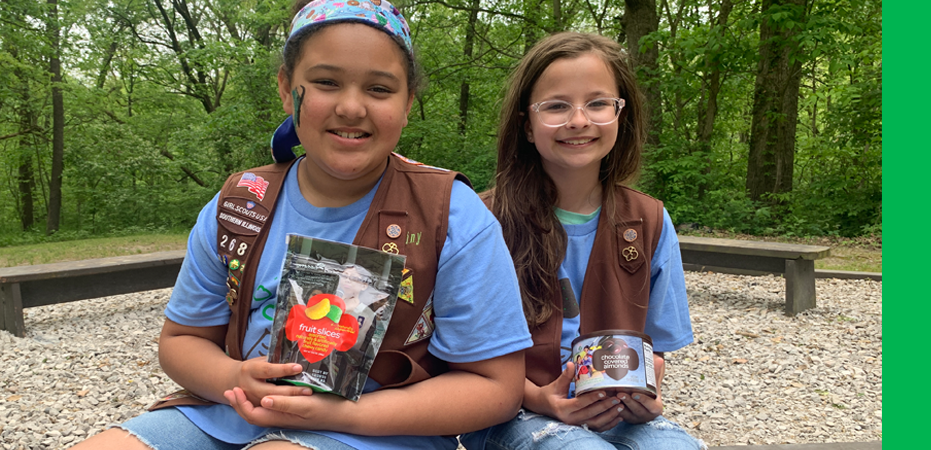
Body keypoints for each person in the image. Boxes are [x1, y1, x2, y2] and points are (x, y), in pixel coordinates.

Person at [70, 1, 530, 449]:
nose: (351, 107)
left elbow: (496, 387)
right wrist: (234, 377)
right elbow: (182, 339)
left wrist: (342, 413)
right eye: (326, 82)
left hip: (376, 426)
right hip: (225, 413)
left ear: (408, 102)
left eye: (379, 89)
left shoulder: (450, 213)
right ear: (288, 90)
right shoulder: (240, 204)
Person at [461, 32, 700, 450]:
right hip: (510, 410)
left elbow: (656, 349)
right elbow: (460, 355)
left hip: (614, 412)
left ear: (620, 115)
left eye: (597, 103)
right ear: (527, 127)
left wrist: (645, 388)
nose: (578, 120)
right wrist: (543, 399)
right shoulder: (482, 220)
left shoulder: (649, 221)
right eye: (556, 106)